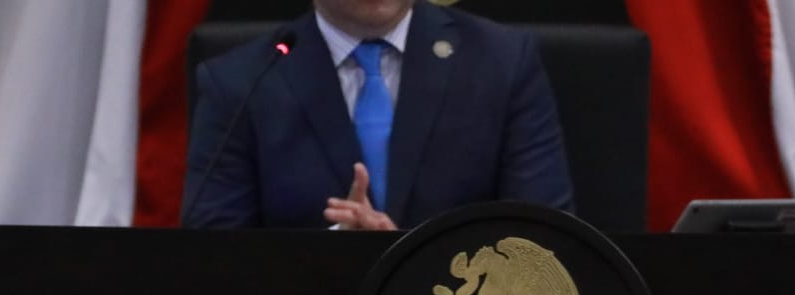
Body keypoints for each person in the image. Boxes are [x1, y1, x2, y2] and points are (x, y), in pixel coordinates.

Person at [181, 0, 574, 230]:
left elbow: (544, 237)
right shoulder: (241, 83)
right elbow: (212, 256)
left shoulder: (502, 63)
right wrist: (337, 251)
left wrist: (404, 261)